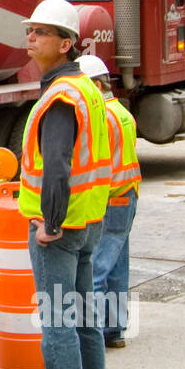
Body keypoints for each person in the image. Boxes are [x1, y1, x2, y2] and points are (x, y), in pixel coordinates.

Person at [17, 0, 111, 369]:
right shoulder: (88, 89)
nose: (30, 38)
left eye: (41, 31)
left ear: (66, 43)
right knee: (85, 321)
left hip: (61, 229)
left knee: (58, 322)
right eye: (29, 29)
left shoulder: (60, 97)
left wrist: (49, 222)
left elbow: (56, 166)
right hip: (89, 223)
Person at [79, 55, 141, 350]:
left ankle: (93, 336)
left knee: (97, 269)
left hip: (108, 198)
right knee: (117, 267)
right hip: (126, 196)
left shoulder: (100, 116)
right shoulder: (122, 113)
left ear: (96, 85)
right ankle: (114, 330)